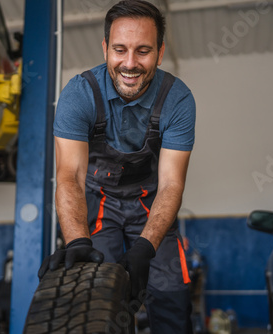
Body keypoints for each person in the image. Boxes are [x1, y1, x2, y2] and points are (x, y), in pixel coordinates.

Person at [39, 1, 196, 332]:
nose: (130, 63)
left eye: (143, 51)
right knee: (96, 296)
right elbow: (70, 176)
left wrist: (145, 247)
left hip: (151, 203)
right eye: (120, 49)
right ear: (105, 48)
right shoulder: (79, 95)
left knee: (171, 298)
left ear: (160, 51)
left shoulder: (177, 100)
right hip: (99, 202)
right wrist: (77, 242)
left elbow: (171, 184)